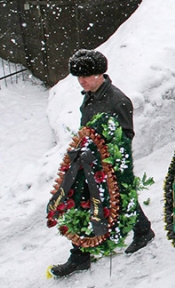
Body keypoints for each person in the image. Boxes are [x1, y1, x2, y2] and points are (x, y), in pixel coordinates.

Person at [50, 50, 154, 278]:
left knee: (119, 198)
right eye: (78, 77)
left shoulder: (118, 101)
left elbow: (126, 135)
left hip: (109, 162)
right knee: (83, 202)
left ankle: (143, 231)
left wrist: (105, 154)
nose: (81, 81)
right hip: (87, 161)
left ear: (100, 74)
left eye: (86, 76)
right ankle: (80, 256)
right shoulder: (89, 95)